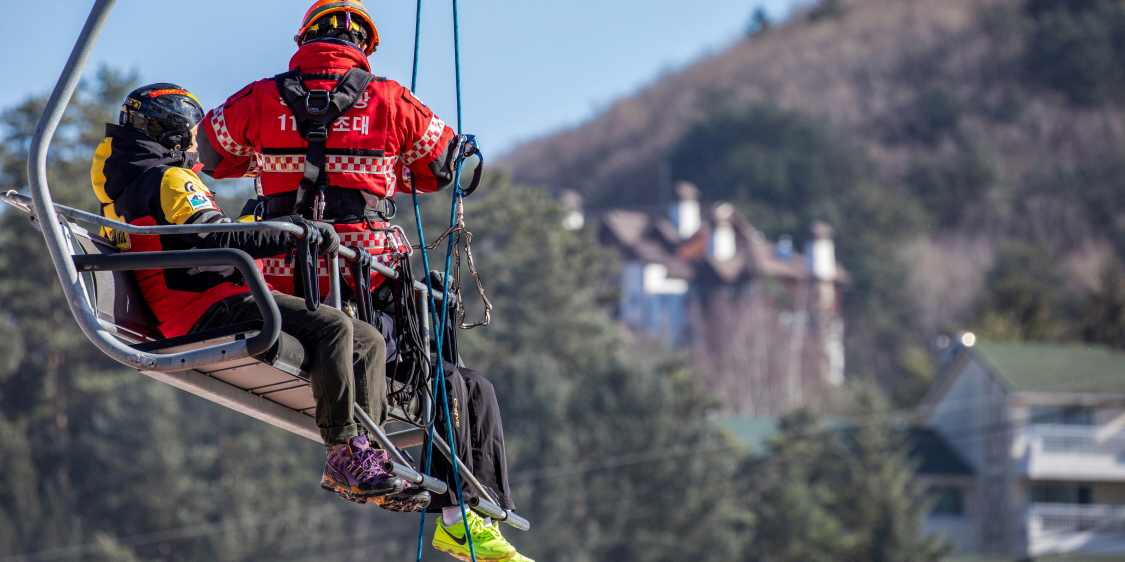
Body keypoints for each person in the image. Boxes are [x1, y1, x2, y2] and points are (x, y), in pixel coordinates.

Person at [196, 2, 532, 560]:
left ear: (304, 39)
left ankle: (460, 515)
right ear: (365, 46)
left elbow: (213, 153)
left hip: (282, 288)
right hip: (366, 284)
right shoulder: (390, 100)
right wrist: (381, 160)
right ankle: (460, 516)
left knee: (453, 383)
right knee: (442, 377)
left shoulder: (257, 97)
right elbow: (443, 167)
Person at [93, 82, 404, 506]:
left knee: (366, 339)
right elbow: (212, 235)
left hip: (202, 302)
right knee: (332, 326)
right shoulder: (167, 179)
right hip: (208, 306)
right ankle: (341, 452)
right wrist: (292, 234)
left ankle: (369, 459)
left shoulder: (132, 182)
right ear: (177, 134)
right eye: (191, 133)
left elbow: (191, 236)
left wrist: (264, 224)